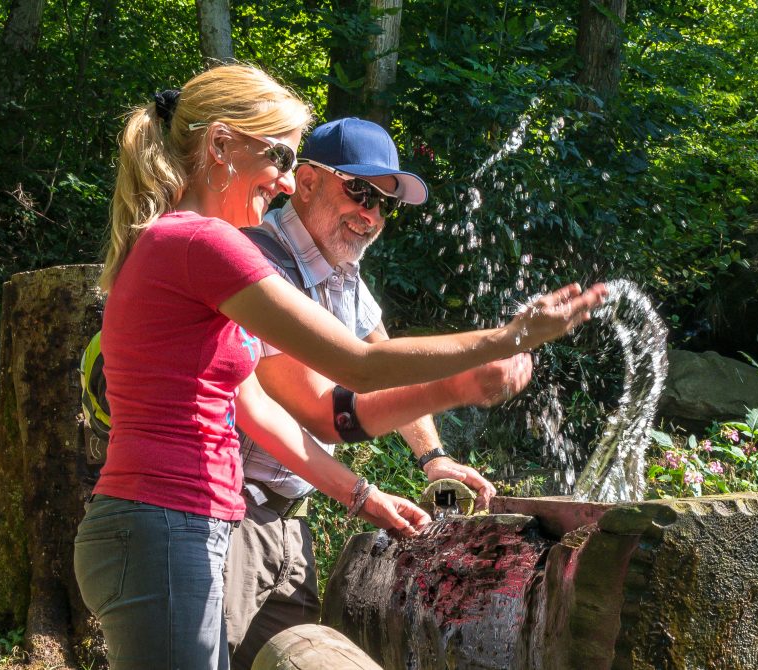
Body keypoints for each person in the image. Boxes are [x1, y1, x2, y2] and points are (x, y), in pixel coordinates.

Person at [71, 63, 606, 670]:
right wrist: (504, 341)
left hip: (177, 523)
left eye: (384, 203)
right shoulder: (208, 244)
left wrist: (375, 490)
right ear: (220, 144)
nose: (279, 181)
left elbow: (259, 412)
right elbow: (360, 367)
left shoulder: (191, 246)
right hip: (166, 520)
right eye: (277, 157)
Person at [221, 118, 508, 668]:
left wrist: (434, 458)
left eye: (384, 204)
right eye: (359, 191)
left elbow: (388, 367)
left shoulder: (344, 272)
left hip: (290, 519)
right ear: (305, 181)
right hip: (236, 514)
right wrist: (462, 383)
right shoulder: (259, 262)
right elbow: (323, 410)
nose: (370, 214)